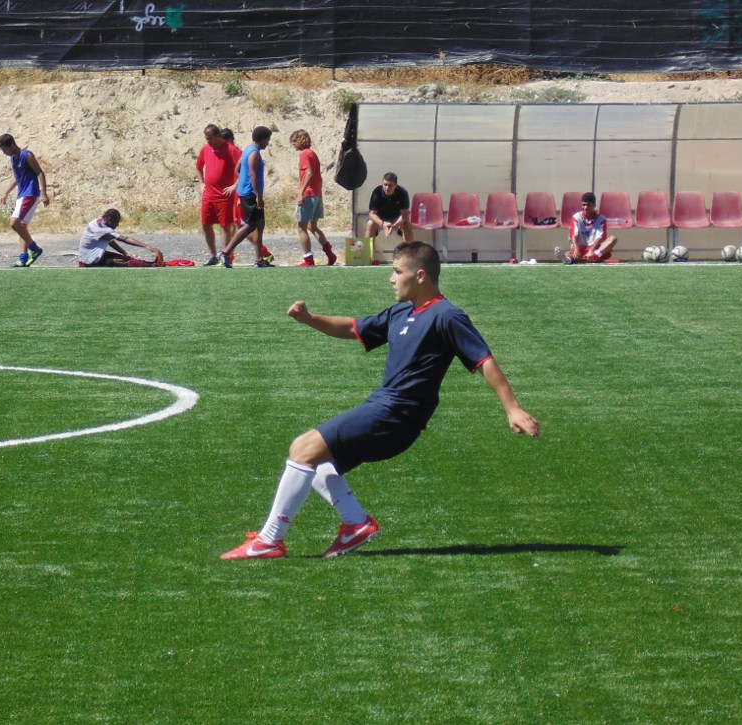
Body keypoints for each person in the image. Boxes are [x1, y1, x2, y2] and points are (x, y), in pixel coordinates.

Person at [221, 241, 540, 560]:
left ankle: (269, 541)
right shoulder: (402, 311)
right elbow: (353, 327)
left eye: (397, 272)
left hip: (398, 415)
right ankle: (356, 525)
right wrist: (309, 318)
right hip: (384, 407)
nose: (391, 278)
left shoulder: (447, 316)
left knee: (303, 448)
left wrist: (513, 409)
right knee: (316, 461)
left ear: (420, 276)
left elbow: (484, 361)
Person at [221, 126, 274, 268]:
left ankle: (259, 259)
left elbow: (237, 169)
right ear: (262, 139)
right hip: (251, 194)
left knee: (260, 224)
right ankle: (225, 252)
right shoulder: (254, 153)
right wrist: (258, 195)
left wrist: (242, 181)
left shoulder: (247, 150)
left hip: (249, 192)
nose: (268, 143)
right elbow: (252, 174)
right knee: (250, 225)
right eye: (267, 140)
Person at [0, 134, 50, 267]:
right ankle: (23, 258)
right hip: (22, 195)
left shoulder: (27, 155)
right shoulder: (13, 158)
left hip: (30, 194)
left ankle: (34, 248)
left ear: (11, 145)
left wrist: (44, 193)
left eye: (4, 149)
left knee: (14, 222)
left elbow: (40, 173)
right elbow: (17, 177)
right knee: (22, 227)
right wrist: (6, 192)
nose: (4, 153)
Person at [290, 129, 337, 267]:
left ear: (300, 140)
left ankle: (308, 259)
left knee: (301, 227)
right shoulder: (313, 154)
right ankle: (329, 253)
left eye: (294, 141)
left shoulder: (304, 154)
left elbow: (309, 173)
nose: (293, 145)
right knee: (313, 226)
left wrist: (301, 192)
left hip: (309, 194)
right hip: (317, 194)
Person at [195, 124, 239, 266]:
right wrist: (201, 183)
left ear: (218, 136)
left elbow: (243, 169)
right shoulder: (205, 149)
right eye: (207, 139)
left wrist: (235, 185)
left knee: (225, 226)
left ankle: (225, 255)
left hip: (224, 196)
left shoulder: (231, 149)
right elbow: (198, 167)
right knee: (206, 224)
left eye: (211, 139)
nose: (209, 142)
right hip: (208, 195)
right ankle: (213, 255)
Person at [77, 208, 163, 267]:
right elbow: (125, 239)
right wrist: (147, 246)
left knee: (125, 258)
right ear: (110, 219)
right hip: (88, 261)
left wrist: (124, 252)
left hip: (89, 256)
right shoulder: (103, 229)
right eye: (116, 222)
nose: (117, 224)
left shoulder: (96, 222)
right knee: (123, 262)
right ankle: (152, 265)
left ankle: (150, 264)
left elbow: (110, 241)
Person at [555, 192, 617, 264]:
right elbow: (574, 235)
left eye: (588, 205)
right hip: (580, 248)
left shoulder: (601, 219)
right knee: (569, 249)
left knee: (613, 238)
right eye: (583, 205)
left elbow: (599, 237)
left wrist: (591, 251)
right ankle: (568, 259)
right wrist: (577, 249)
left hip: (594, 249)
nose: (585, 207)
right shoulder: (576, 217)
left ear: (594, 205)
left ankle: (593, 256)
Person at [366, 172, 414, 245]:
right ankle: (367, 251)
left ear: (395, 185)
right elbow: (372, 214)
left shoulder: (402, 192)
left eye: (390, 185)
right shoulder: (377, 192)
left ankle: (408, 250)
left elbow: (405, 214)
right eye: (385, 185)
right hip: (380, 218)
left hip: (397, 218)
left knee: (407, 225)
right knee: (370, 224)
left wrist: (394, 226)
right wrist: (382, 224)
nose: (387, 188)